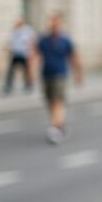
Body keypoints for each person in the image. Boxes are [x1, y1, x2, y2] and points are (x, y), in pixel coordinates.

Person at [34, 13, 83, 144]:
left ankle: (54, 128)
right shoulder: (43, 40)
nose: (54, 24)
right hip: (46, 75)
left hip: (60, 75)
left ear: (60, 24)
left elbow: (73, 56)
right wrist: (32, 71)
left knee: (58, 101)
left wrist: (78, 73)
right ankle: (59, 124)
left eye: (56, 22)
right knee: (49, 101)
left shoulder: (65, 40)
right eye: (51, 22)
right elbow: (36, 55)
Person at [3, 18, 35, 95]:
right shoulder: (15, 31)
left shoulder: (28, 30)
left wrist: (31, 52)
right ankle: (8, 85)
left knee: (26, 70)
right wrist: (9, 50)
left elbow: (31, 41)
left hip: (25, 54)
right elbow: (11, 42)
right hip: (16, 53)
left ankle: (29, 84)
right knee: (11, 71)